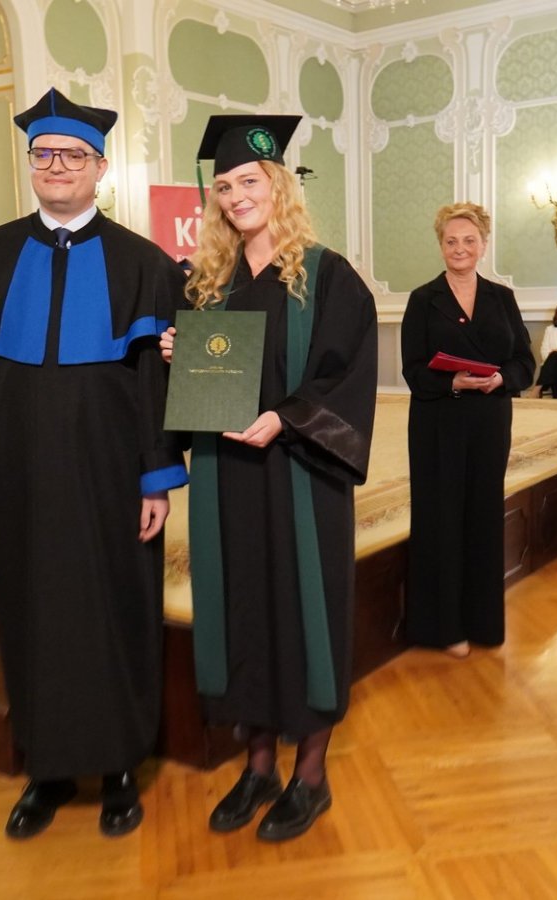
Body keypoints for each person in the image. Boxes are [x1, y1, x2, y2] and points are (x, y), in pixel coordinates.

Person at [0, 88, 187, 840]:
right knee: (33, 613)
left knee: (117, 608)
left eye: (73, 155)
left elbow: (155, 381)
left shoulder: (143, 263)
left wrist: (157, 475)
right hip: (19, 471)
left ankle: (120, 768)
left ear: (100, 168)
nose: (57, 166)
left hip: (113, 472)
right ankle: (46, 770)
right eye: (44, 154)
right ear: (31, 164)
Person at [159, 114, 377, 842]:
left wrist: (285, 418)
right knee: (242, 611)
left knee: (303, 612)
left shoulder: (326, 275)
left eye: (249, 181)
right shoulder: (208, 284)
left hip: (300, 475)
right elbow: (203, 382)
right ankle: (256, 767)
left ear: (278, 184)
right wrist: (177, 354)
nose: (236, 196)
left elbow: (345, 375)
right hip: (228, 479)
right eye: (223, 187)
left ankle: (310, 775)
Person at [400, 202, 535, 658]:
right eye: (451, 241)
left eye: (469, 240)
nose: (460, 248)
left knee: (482, 516)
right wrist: (452, 381)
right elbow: (412, 370)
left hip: (489, 421)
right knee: (441, 520)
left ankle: (482, 623)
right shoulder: (423, 299)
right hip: (439, 423)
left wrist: (502, 378)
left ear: (483, 245)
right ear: (441, 245)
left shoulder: (502, 297)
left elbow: (525, 362)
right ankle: (443, 628)